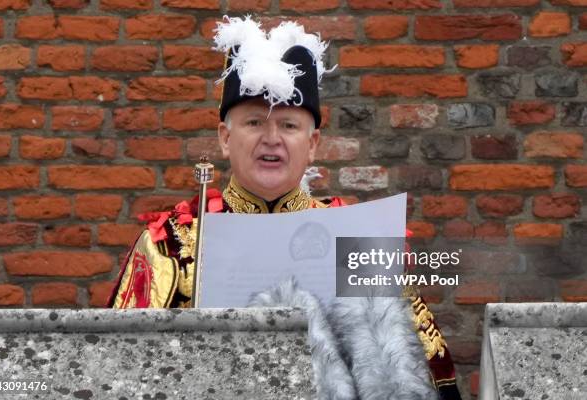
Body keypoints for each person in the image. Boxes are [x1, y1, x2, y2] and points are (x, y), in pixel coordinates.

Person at [106, 16, 462, 399]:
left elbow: (425, 377)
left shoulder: (357, 241)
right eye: (255, 122)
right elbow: (119, 370)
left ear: (313, 143)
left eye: (290, 125)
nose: (272, 139)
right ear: (225, 138)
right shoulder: (171, 245)